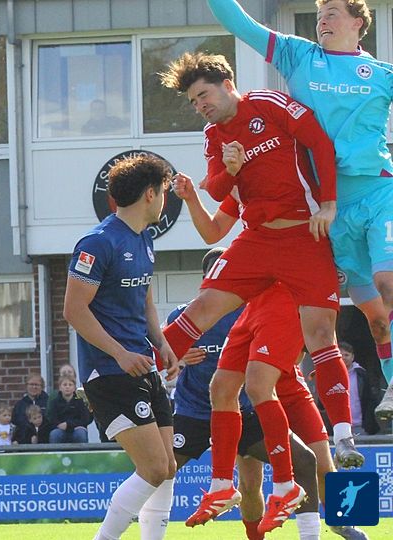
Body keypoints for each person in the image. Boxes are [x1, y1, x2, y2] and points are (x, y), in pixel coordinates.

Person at [159, 51, 363, 469]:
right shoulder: (215, 137)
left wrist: (328, 204)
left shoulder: (267, 104)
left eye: (203, 96)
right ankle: (142, 376)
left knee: (297, 355)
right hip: (258, 248)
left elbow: (319, 141)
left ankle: (342, 442)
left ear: (227, 84)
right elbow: (219, 203)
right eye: (194, 102)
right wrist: (230, 170)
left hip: (302, 242)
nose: (200, 106)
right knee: (216, 343)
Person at [204, 0, 393, 427]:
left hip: (378, 190)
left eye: (333, 13)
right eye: (320, 15)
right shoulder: (299, 55)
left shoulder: (382, 75)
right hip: (327, 209)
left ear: (358, 22)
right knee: (376, 319)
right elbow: (237, 21)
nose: (323, 20)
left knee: (388, 283)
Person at [173, 172, 369, 539]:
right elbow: (215, 227)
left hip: (287, 385)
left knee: (321, 462)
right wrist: (177, 360)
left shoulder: (287, 206)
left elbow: (312, 328)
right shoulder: (223, 310)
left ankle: (344, 521)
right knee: (251, 480)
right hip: (247, 402)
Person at [64, 153, 178, 540]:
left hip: (142, 366)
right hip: (110, 371)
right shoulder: (98, 242)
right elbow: (74, 310)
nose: (165, 199)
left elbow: (144, 298)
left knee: (168, 467)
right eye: (164, 191)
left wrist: (161, 342)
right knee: (153, 468)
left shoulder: (144, 239)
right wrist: (119, 352)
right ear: (150, 193)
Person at [338, 342, 383, 436]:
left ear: (352, 357)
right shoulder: (331, 376)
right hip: (338, 426)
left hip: (360, 425)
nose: (344, 357)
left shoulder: (361, 375)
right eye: (341, 355)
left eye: (346, 355)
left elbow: (370, 399)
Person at [45, 375, 91, 444]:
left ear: (74, 387)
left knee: (81, 434)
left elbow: (85, 419)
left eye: (70, 385)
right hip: (60, 429)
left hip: (77, 428)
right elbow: (52, 419)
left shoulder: (80, 402)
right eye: (65, 385)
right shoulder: (54, 402)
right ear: (60, 387)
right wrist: (60, 425)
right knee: (55, 435)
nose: (67, 387)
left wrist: (69, 424)